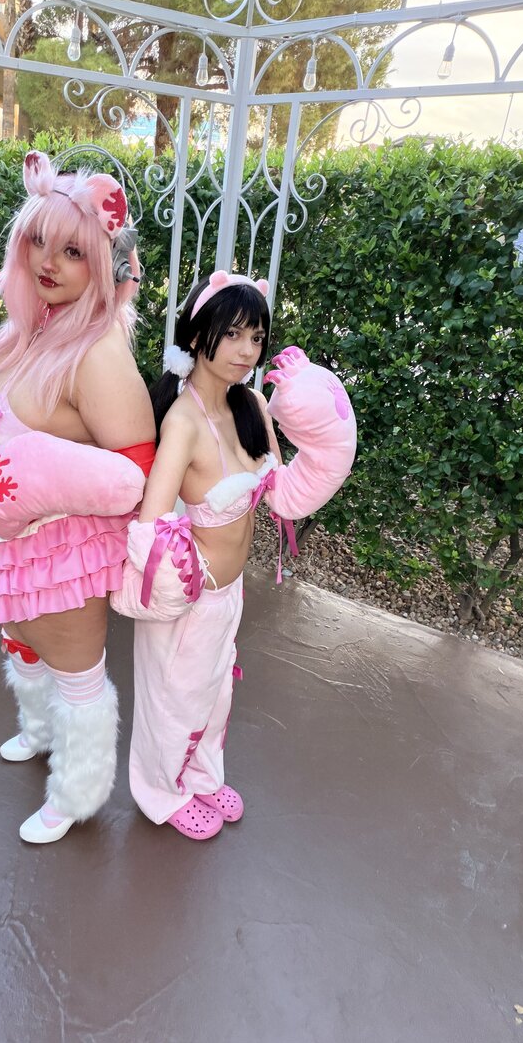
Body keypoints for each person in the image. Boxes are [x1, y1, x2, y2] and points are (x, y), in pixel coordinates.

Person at [0, 150, 155, 844]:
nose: (49, 262)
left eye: (73, 252)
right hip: (6, 533)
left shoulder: (97, 351)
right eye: (39, 241)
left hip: (65, 548)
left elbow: (135, 468)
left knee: (77, 674)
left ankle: (77, 793)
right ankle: (38, 730)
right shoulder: (24, 331)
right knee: (22, 643)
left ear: (101, 266)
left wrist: (38, 474)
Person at [111, 270, 357, 840]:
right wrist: (176, 583)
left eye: (257, 337)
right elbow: (151, 522)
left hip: (230, 592)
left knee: (215, 692)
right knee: (172, 700)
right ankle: (161, 793)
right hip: (189, 596)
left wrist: (330, 446)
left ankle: (201, 776)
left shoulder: (251, 407)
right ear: (199, 334)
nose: (248, 350)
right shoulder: (183, 421)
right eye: (234, 334)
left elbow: (281, 489)